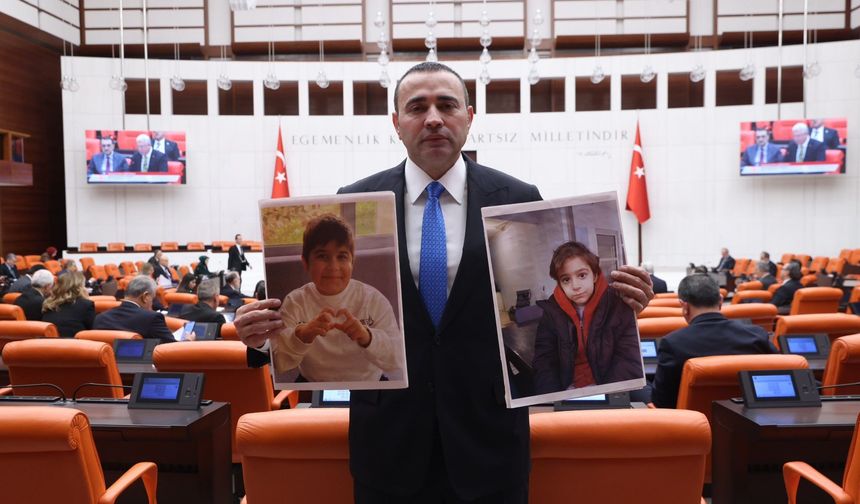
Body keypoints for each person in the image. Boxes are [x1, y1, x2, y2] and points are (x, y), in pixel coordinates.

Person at [234, 62, 654, 503]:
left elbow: (552, 313)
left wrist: (619, 302)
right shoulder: (352, 200)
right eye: (417, 107)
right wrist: (263, 337)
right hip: (389, 445)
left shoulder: (518, 198)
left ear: (469, 117)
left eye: (446, 105)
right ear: (396, 124)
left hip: (489, 444)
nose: (433, 117)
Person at [267, 214, 403, 382]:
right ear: (305, 262)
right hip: (313, 384)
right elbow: (280, 362)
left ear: (352, 261)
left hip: (368, 386)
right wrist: (302, 335)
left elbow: (397, 359)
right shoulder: (296, 302)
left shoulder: (372, 299)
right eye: (322, 256)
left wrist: (367, 336)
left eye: (342, 256)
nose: (333, 267)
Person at [650, 274, 776, 408]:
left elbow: (661, 402)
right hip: (749, 423)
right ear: (721, 301)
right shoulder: (756, 335)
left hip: (694, 425)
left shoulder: (673, 343)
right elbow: (784, 371)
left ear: (684, 306)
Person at [532, 241, 640, 395]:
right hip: (567, 389)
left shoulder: (618, 304)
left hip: (609, 388)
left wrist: (607, 395)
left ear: (595, 275)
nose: (575, 286)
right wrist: (554, 399)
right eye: (566, 279)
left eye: (582, 275)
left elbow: (628, 359)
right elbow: (544, 361)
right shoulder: (551, 312)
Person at [93, 275, 175, 343]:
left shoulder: (100, 318)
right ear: (145, 296)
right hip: (142, 362)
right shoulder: (152, 318)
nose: (152, 303)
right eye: (152, 299)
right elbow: (172, 349)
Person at [42, 272, 95, 338]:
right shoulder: (86, 305)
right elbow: (92, 332)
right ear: (79, 287)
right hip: (76, 346)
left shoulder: (48, 304)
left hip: (49, 346)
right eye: (83, 286)